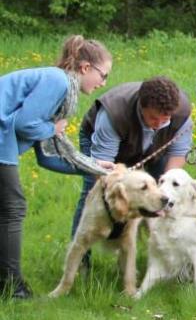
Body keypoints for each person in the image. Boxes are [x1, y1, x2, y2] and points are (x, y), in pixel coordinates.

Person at [0, 36, 113, 298]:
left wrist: (94, 167)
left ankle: (8, 284)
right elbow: (24, 123)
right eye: (103, 75)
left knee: (8, 208)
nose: (103, 83)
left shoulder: (61, 92)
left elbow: (47, 157)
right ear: (85, 68)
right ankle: (12, 288)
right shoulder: (58, 81)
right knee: (13, 207)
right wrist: (52, 128)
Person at [71, 76, 194, 240]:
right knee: (93, 191)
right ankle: (82, 255)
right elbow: (101, 171)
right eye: (153, 118)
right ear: (141, 107)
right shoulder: (114, 114)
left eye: (165, 120)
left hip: (155, 146)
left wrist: (164, 186)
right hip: (104, 150)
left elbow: (178, 153)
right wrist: (121, 200)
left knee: (159, 192)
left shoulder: (181, 112)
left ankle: (156, 246)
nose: (158, 124)